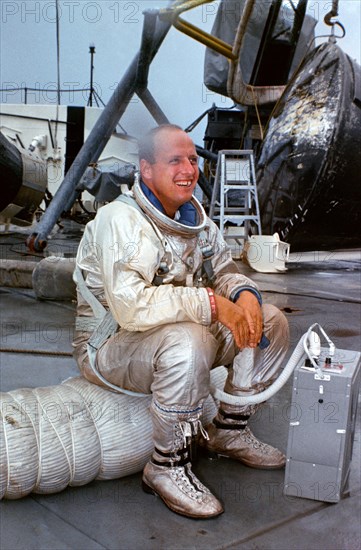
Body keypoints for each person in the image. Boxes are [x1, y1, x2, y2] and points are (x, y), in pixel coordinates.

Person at [73, 124, 289, 519]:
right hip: (110, 345)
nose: (189, 169)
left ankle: (229, 430)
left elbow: (222, 269)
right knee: (191, 339)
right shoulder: (120, 221)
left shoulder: (196, 222)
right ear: (146, 169)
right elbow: (130, 307)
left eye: (192, 159)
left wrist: (243, 296)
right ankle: (167, 466)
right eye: (175, 160)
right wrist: (212, 305)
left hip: (167, 336)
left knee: (271, 323)